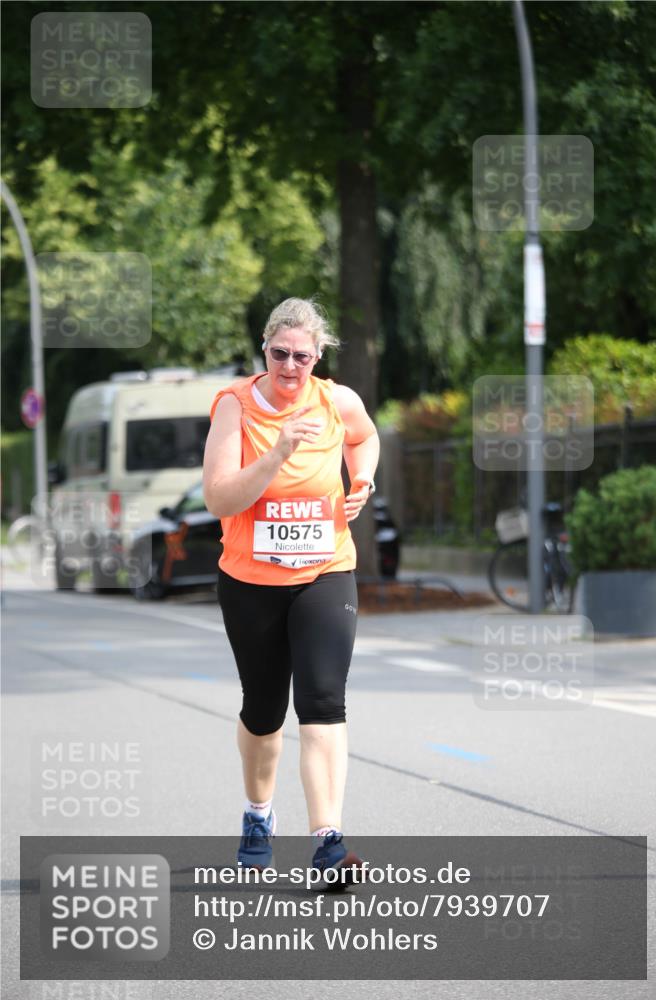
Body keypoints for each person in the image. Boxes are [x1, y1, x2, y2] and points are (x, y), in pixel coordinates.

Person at [203, 297, 379, 881]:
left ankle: (329, 840)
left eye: (302, 356)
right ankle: (258, 815)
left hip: (326, 571)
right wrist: (278, 452)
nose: (289, 367)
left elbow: (365, 436)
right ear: (264, 348)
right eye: (279, 353)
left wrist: (365, 478)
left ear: (317, 356)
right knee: (263, 710)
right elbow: (220, 498)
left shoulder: (336, 400)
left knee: (324, 702)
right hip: (251, 581)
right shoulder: (235, 407)